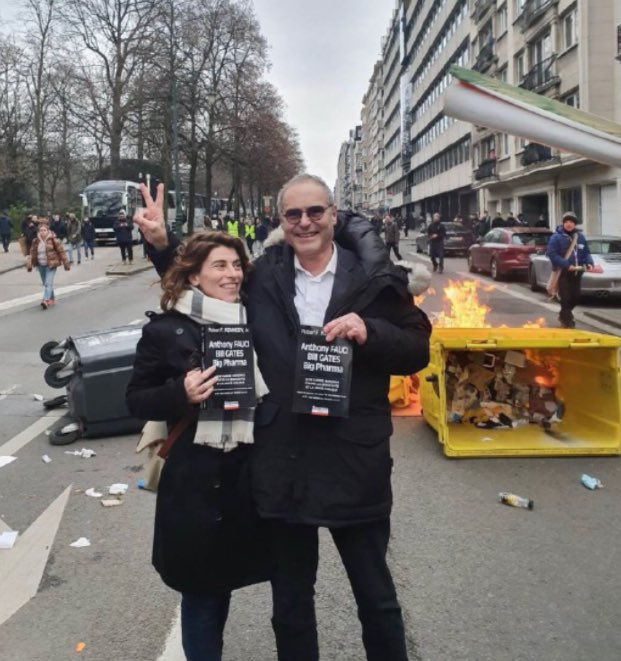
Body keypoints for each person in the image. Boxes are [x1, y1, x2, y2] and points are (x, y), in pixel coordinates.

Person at [134, 174, 432, 661]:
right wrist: (162, 244)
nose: (305, 222)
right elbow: (208, 288)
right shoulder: (263, 275)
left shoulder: (374, 278)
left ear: (333, 214)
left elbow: (417, 349)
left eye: (315, 211)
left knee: (376, 598)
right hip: (282, 463)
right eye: (293, 214)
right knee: (291, 604)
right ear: (281, 221)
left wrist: (370, 331)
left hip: (353, 460)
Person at [126, 231, 270, 660]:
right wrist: (180, 392)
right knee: (204, 594)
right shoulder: (164, 330)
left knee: (256, 579)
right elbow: (135, 399)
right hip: (196, 482)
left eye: (237, 265)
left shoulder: (256, 318)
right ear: (193, 277)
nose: (232, 274)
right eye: (219, 266)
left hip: (250, 476)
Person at [546, 211, 594, 329]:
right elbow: (552, 254)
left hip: (577, 272)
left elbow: (586, 252)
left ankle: (563, 314)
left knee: (576, 298)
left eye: (571, 222)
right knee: (566, 298)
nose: (569, 224)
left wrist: (589, 262)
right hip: (564, 273)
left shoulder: (580, 237)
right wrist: (566, 265)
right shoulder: (556, 237)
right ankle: (568, 322)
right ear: (563, 223)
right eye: (566, 221)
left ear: (575, 224)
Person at [26, 220, 70, 309]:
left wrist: (66, 264)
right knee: (46, 283)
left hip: (51, 265)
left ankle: (45, 300)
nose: (42, 232)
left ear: (48, 231)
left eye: (44, 230)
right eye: (41, 230)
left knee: (48, 283)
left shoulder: (54, 240)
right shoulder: (35, 241)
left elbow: (61, 252)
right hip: (40, 265)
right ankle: (52, 298)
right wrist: (30, 263)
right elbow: (32, 252)